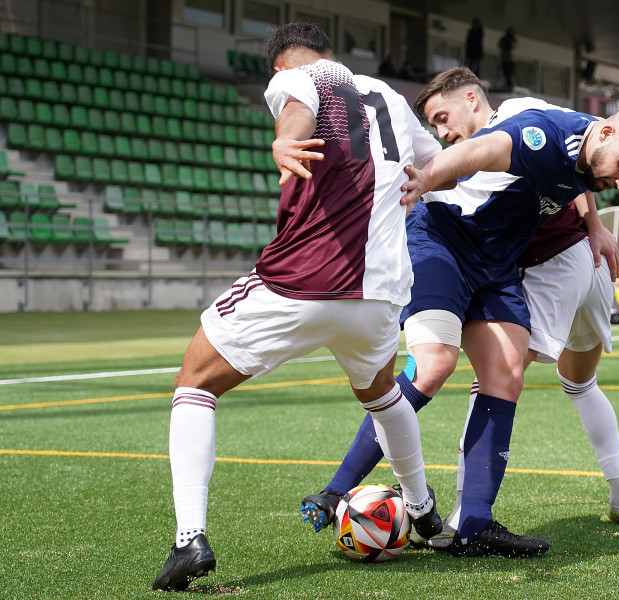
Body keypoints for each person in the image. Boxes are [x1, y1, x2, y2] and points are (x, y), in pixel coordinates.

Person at [300, 67, 619, 558]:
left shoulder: (596, 139)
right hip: (443, 242)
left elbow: (586, 166)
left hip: (498, 264)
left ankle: (475, 523)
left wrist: (594, 224)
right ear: (605, 132)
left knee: (506, 374)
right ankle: (334, 490)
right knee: (434, 366)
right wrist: (425, 178)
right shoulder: (537, 131)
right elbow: (481, 151)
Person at [150, 22, 444, 592]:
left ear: (281, 65)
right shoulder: (385, 94)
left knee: (194, 383)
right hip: (380, 295)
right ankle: (424, 509)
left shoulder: (304, 77)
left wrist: (285, 138)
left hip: (302, 284)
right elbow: (433, 161)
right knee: (384, 394)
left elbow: (297, 104)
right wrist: (419, 187)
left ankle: (191, 539)